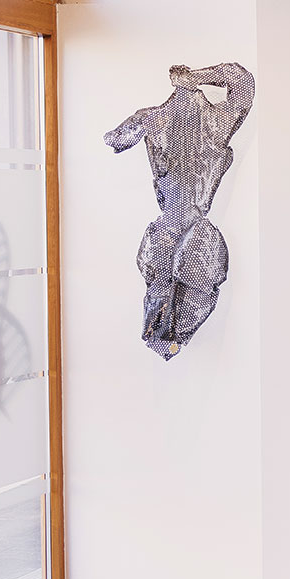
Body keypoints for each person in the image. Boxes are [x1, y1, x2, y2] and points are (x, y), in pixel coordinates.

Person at [105, 63, 255, 359]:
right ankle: (167, 342)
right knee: (170, 288)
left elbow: (115, 139)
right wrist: (195, 78)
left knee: (176, 288)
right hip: (185, 221)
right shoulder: (215, 119)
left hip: (178, 221)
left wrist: (190, 80)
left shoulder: (154, 117)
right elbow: (242, 83)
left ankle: (168, 343)